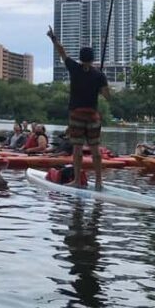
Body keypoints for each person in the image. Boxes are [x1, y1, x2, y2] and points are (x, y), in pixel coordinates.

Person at [48, 28, 110, 189]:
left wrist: (53, 38)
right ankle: (98, 182)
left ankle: (76, 180)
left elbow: (62, 52)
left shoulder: (74, 68)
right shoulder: (99, 75)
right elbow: (107, 96)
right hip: (93, 115)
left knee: (77, 149)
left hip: (76, 114)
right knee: (95, 150)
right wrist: (102, 83)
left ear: (81, 58)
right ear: (93, 58)